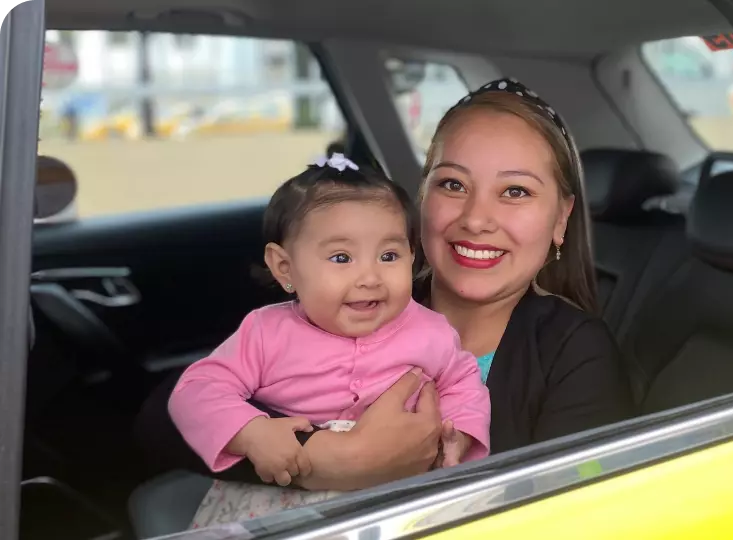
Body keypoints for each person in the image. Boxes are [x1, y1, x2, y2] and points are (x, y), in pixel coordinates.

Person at [135, 77, 632, 501]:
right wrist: (326, 458)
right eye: (453, 185)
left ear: (561, 217)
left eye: (516, 192)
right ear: (421, 200)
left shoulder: (573, 351)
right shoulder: (355, 299)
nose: (477, 218)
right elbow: (165, 413)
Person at [166, 153, 490, 527]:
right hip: (283, 503)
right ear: (285, 267)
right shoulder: (266, 332)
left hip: (397, 500)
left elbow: (463, 384)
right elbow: (196, 389)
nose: (370, 277)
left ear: (411, 256)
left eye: (388, 255)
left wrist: (459, 433)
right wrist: (251, 433)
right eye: (341, 258)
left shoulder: (431, 331)